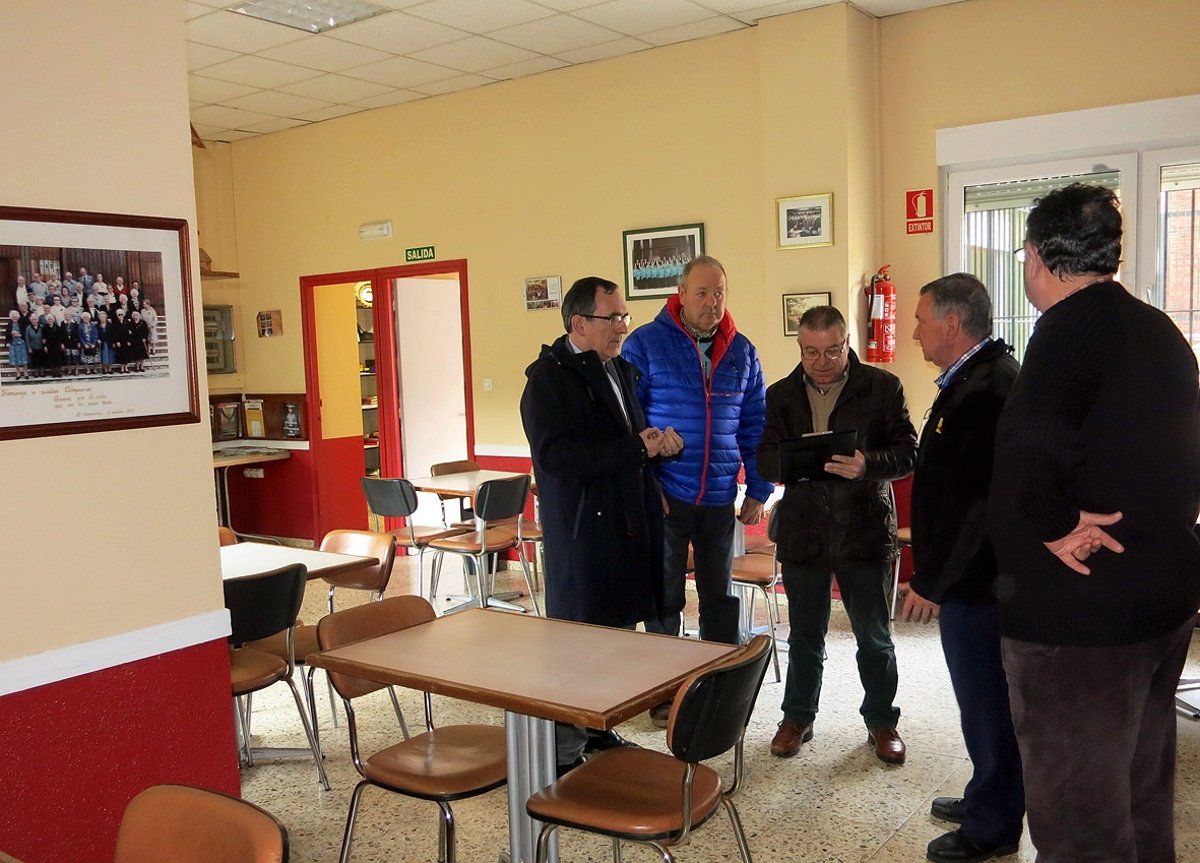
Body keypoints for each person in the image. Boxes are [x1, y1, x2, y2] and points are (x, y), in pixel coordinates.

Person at [989, 183, 1200, 863]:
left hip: (1080, 621)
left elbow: (1025, 448)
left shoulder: (1066, 332)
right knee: (1140, 791)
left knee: (1080, 817)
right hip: (1161, 599)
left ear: (1035, 257)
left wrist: (1054, 526)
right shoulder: (1161, 330)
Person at [520, 275, 679, 773]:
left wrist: (654, 444)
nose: (623, 327)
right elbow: (557, 458)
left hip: (626, 526)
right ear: (579, 323)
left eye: (624, 316)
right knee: (578, 646)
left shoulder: (620, 371)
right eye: (613, 318)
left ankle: (598, 731)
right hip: (582, 535)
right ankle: (564, 755)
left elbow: (626, 440)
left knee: (612, 640)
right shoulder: (548, 382)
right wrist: (635, 448)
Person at [757, 305, 916, 764]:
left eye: (831, 351)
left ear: (847, 343)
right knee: (805, 636)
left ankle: (882, 721)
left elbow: (908, 452)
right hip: (805, 531)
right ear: (800, 348)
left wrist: (868, 464)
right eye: (811, 352)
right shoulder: (781, 394)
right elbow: (764, 458)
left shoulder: (882, 387)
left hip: (863, 528)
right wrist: (796, 460)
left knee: (874, 637)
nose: (821, 362)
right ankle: (797, 718)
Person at [902, 274, 1024, 863]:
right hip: (975, 580)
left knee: (988, 704)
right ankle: (986, 795)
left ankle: (992, 826)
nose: (915, 332)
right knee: (981, 702)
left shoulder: (987, 389)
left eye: (921, 320)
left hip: (981, 585)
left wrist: (935, 582)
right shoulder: (973, 378)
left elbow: (976, 507)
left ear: (952, 325)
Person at [622, 254, 773, 724]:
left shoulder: (742, 351)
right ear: (681, 294)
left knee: (720, 598)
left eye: (719, 293)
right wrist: (647, 486)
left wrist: (759, 487)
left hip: (719, 498)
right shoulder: (645, 344)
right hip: (667, 495)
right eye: (702, 293)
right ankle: (665, 692)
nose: (712, 302)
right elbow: (629, 422)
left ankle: (718, 688)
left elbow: (755, 425)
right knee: (664, 597)